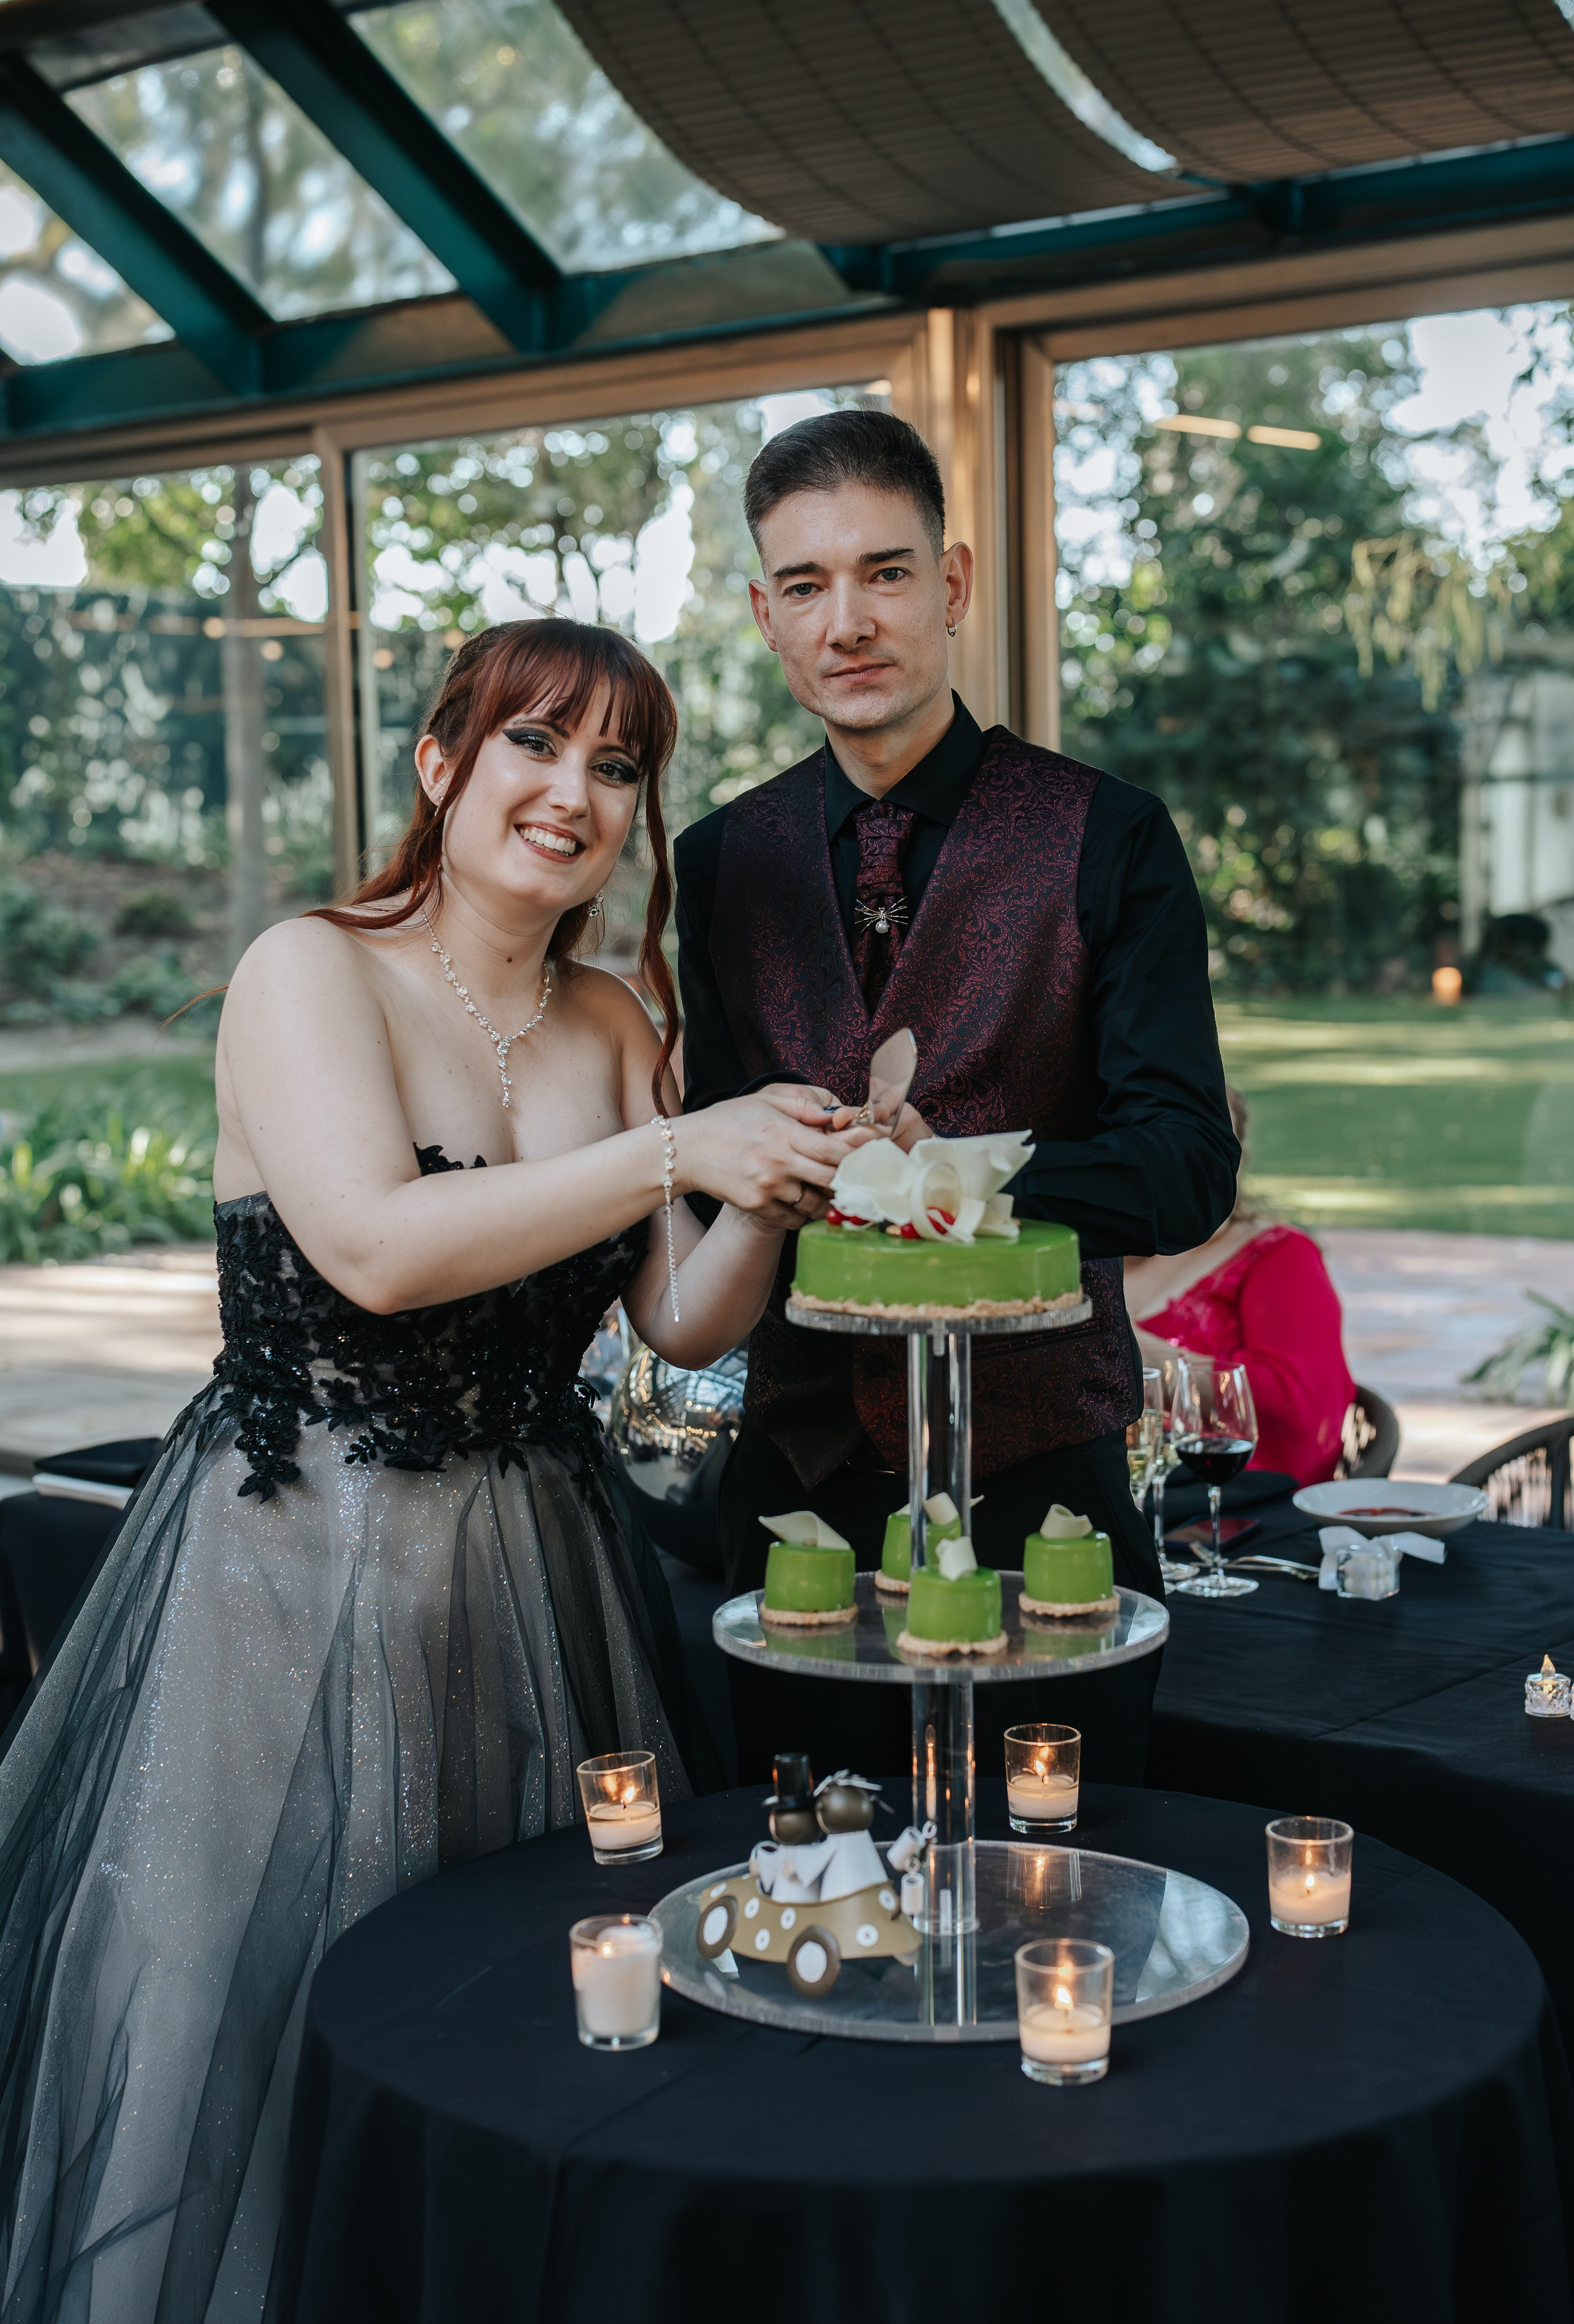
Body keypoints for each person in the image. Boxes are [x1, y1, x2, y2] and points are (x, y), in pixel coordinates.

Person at [0, 618, 858, 2324]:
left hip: (543, 1577)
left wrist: (761, 1188)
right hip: (288, 1571)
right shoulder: (308, 971)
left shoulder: (613, 1018)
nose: (575, 794)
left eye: (617, 767)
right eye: (538, 745)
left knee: (524, 1995)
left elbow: (682, 1325)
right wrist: (678, 1143)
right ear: (441, 764)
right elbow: (381, 1253)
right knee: (260, 2001)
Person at [676, 409, 1239, 1777]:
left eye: (883, 572)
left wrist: (954, 1182)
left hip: (1046, 1484)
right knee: (812, 1879)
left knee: (1062, 1872)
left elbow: (1180, 1165)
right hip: (794, 1484)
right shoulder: (716, 862)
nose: (846, 621)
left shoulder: (1109, 834)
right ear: (764, 613)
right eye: (805, 586)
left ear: (953, 584)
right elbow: (703, 1168)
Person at [1126, 1087, 1356, 1486]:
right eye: (1164, 1138)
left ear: (1238, 1155)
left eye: (1209, 1140)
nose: (1186, 1161)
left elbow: (1297, 1411)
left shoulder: (1277, 1255)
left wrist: (1133, 1351)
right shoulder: (1088, 1252)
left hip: (1221, 1498)